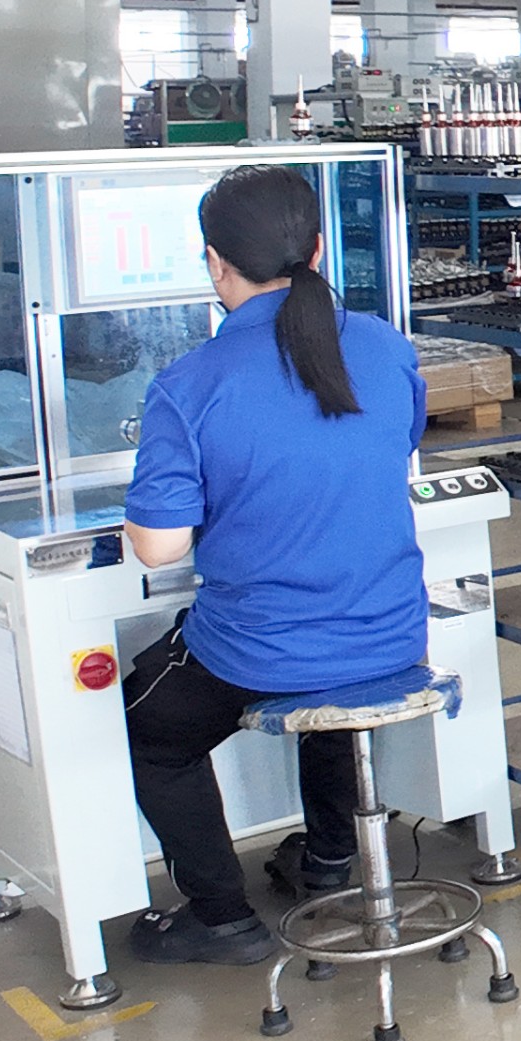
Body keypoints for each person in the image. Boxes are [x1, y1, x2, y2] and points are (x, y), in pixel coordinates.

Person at [116, 166, 434, 966]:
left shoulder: (190, 383)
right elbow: (393, 450)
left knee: (150, 725)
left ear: (215, 263)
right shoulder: (386, 347)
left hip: (261, 648)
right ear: (319, 250)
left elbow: (160, 546)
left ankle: (222, 914)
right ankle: (327, 857)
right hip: (392, 635)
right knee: (334, 693)